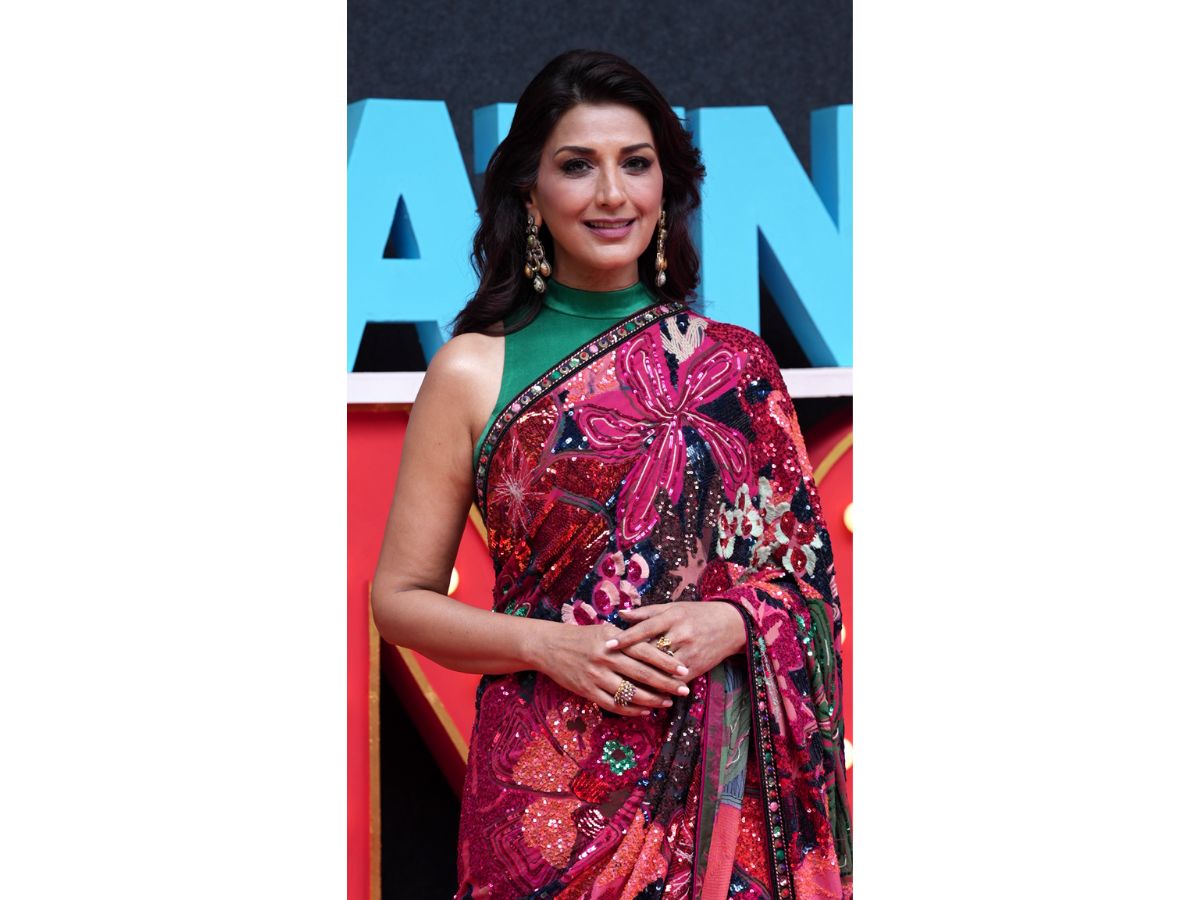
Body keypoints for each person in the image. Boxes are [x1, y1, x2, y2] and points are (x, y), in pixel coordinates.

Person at [372, 49, 852, 899]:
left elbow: (809, 588)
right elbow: (400, 600)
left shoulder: (734, 367)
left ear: (666, 186)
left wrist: (731, 621)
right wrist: (548, 645)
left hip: (720, 794)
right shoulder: (473, 370)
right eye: (576, 166)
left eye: (635, 164)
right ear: (529, 191)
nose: (610, 194)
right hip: (544, 802)